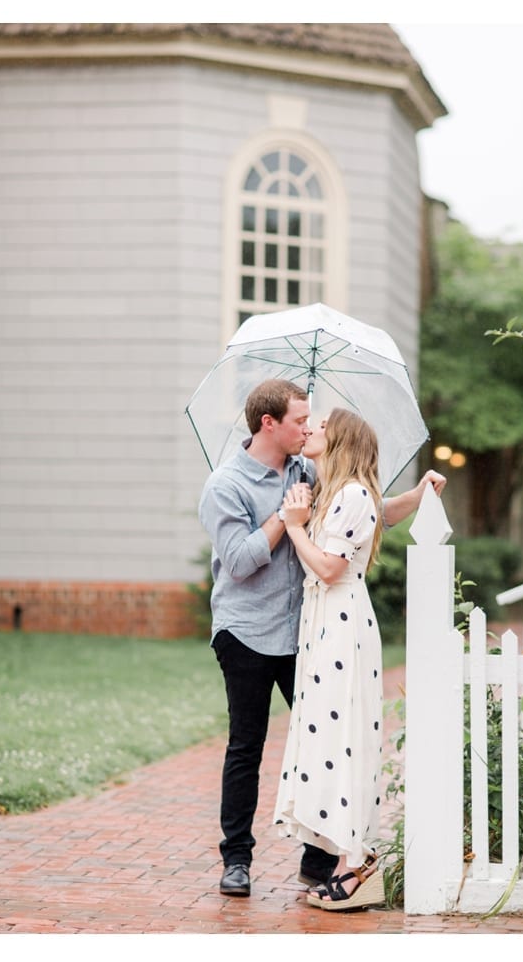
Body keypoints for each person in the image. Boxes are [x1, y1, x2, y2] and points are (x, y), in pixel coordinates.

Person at [199, 378, 442, 898]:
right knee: (247, 744)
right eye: (299, 420)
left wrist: (416, 497)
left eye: (312, 420)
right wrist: (286, 519)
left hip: (308, 635)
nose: (308, 427)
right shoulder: (226, 485)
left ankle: (320, 858)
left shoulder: (309, 469)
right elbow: (239, 561)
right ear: (270, 423)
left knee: (323, 738)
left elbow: (364, 513)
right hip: (246, 630)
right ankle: (236, 860)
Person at [273, 408, 389, 910]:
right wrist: (304, 514)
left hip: (342, 625)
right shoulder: (332, 494)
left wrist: (294, 525)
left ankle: (357, 862)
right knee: (325, 737)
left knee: (344, 740)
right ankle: (345, 858)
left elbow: (329, 568)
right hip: (322, 626)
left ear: (338, 439)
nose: (310, 429)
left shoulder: (353, 495)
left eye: (319, 426)